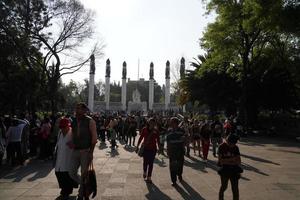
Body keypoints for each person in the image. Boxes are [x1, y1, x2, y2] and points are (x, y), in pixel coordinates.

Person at [69, 103, 97, 200]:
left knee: (84, 173)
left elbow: (94, 138)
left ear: (84, 110)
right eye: (76, 108)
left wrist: (91, 152)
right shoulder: (73, 121)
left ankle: (81, 195)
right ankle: (85, 185)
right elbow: (72, 133)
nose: (76, 110)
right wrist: (71, 143)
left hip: (85, 151)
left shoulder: (90, 121)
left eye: (79, 109)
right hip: (75, 150)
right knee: (71, 172)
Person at [55, 118, 78, 200]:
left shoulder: (72, 133)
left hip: (69, 158)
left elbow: (78, 144)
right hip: (60, 158)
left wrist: (73, 144)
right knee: (59, 173)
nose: (63, 129)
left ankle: (66, 191)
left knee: (67, 175)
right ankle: (64, 190)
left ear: (68, 126)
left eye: (64, 127)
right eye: (61, 127)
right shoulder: (60, 133)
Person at [218, 134, 242, 200]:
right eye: (232, 144)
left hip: (234, 170)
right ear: (228, 141)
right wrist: (232, 160)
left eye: (234, 144)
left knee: (235, 189)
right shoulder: (221, 147)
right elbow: (221, 161)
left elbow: (239, 161)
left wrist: (227, 161)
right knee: (224, 186)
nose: (233, 145)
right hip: (224, 170)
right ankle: (220, 198)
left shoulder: (236, 147)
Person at [136, 118, 160, 183]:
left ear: (154, 123)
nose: (151, 124)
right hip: (146, 148)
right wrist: (137, 146)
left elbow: (158, 140)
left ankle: (149, 177)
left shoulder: (156, 131)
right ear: (148, 123)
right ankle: (144, 171)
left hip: (153, 149)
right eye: (150, 122)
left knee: (151, 163)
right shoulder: (144, 129)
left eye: (153, 123)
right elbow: (141, 138)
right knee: (145, 162)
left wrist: (160, 148)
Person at [166, 117, 186, 186]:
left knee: (180, 165)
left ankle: (179, 174)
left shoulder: (181, 131)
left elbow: (186, 139)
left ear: (175, 123)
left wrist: (185, 139)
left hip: (180, 150)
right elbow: (168, 142)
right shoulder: (169, 131)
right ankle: (173, 180)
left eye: (171, 122)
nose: (170, 123)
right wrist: (168, 150)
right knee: (172, 166)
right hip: (172, 151)